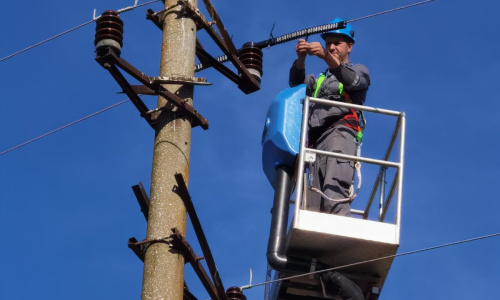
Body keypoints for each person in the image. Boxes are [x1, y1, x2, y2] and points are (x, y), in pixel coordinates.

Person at [289, 18, 370, 216]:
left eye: (337, 43)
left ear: (349, 46)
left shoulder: (358, 70)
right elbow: (296, 85)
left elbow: (353, 81)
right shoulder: (319, 79)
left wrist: (326, 57)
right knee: (312, 205)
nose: (332, 47)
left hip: (340, 133)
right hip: (315, 143)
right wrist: (301, 60)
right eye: (328, 44)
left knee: (334, 192)